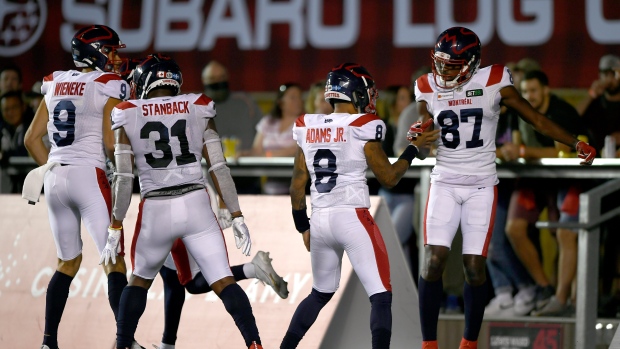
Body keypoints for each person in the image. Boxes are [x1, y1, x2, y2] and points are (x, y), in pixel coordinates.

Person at [414, 27, 596, 349]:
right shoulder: (426, 86)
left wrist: (575, 142)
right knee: (433, 261)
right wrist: (420, 135)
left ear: (471, 64)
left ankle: (468, 343)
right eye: (440, 63)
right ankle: (429, 344)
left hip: (481, 184)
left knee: (474, 267)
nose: (443, 71)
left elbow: (535, 119)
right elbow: (424, 124)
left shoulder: (494, 80)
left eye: (452, 65)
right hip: (444, 179)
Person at [109, 54, 263, 349]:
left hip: (156, 206)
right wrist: (237, 213)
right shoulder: (198, 106)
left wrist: (115, 226)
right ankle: (255, 344)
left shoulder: (127, 112)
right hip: (195, 203)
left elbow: (124, 178)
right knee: (223, 280)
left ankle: (122, 344)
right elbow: (219, 166)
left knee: (139, 281)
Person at [281, 62, 440, 349]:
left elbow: (296, 186)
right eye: (366, 92)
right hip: (352, 217)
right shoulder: (364, 125)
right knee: (380, 296)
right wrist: (413, 150)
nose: (370, 98)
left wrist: (302, 226)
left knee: (319, 293)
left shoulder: (308, 125)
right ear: (353, 94)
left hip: (319, 219)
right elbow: (389, 177)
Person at [22, 25, 141, 349]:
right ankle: (125, 342)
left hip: (56, 177)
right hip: (90, 176)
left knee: (67, 263)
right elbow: (107, 140)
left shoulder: (54, 81)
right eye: (111, 50)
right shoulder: (106, 84)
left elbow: (31, 139)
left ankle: (48, 342)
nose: (116, 57)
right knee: (114, 262)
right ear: (96, 52)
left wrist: (54, 169)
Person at [155, 184, 288, 349]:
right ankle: (167, 344)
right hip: (192, 195)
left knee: (197, 281)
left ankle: (253, 270)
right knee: (174, 276)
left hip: (174, 204)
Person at [244, 83, 303, 194]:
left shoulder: (305, 122)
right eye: (293, 97)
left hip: (295, 184)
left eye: (299, 97)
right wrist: (244, 154)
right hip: (269, 185)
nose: (298, 101)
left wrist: (268, 155)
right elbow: (256, 150)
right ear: (281, 102)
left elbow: (295, 150)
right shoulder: (268, 122)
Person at [0, 91, 32, 192]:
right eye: (6, 109)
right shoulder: (2, 130)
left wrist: (5, 155)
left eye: (14, 107)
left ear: (23, 107)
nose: (10, 113)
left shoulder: (33, 128)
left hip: (33, 190)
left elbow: (28, 151)